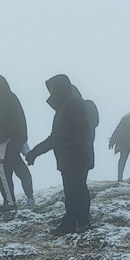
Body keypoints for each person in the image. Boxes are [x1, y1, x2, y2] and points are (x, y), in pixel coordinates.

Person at [26, 74, 93, 234]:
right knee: (71, 192)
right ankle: (71, 222)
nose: (50, 92)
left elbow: (82, 127)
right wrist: (35, 152)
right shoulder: (63, 108)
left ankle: (82, 222)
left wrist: (82, 149)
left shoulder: (73, 103)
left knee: (78, 189)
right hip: (68, 158)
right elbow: (54, 139)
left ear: (61, 87)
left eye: (52, 88)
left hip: (76, 156)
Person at [0, 74, 29, 211]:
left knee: (2, 169)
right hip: (14, 139)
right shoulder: (11, 98)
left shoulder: (4, 100)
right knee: (15, 170)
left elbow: (4, 123)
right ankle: (18, 199)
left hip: (6, 140)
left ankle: (10, 202)